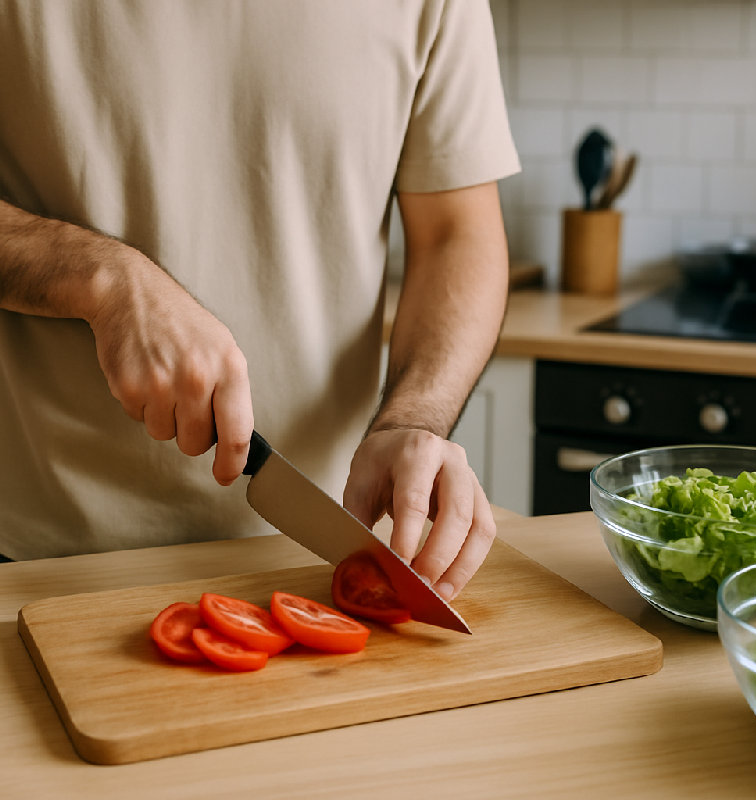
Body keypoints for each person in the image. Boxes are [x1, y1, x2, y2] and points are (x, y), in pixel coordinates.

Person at [0, 1, 519, 601]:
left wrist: (410, 418)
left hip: (318, 557)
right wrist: (103, 278)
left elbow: (458, 234)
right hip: (37, 560)